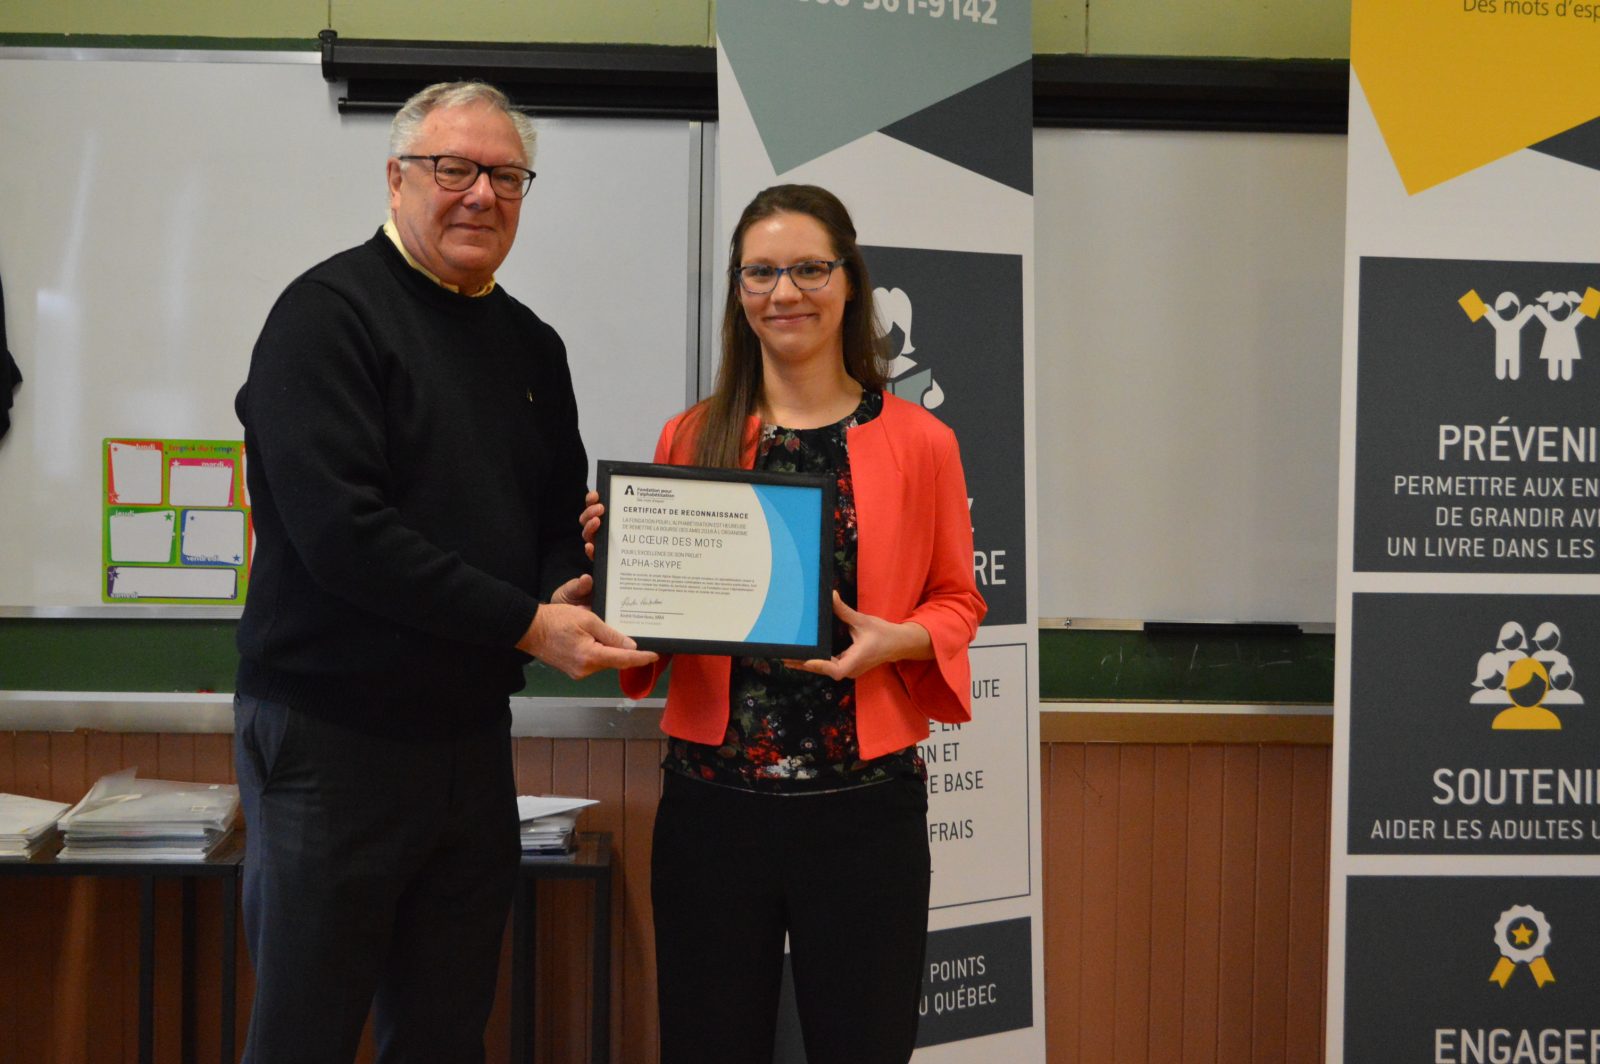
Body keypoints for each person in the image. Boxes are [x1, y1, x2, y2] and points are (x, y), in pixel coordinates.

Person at [232, 81, 654, 1064]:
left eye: (505, 176)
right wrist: (527, 623)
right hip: (330, 737)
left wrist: (566, 584)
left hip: (468, 740)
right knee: (304, 1030)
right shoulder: (325, 317)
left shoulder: (531, 345)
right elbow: (345, 537)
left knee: (444, 1028)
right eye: (453, 168)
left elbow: (551, 519)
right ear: (397, 178)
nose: (480, 194)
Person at [587, 184, 985, 1063]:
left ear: (849, 283)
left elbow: (958, 600)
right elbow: (659, 621)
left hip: (864, 813)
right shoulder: (691, 435)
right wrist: (624, 563)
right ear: (738, 290)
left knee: (864, 1047)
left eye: (809, 269)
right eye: (761, 272)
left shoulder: (920, 440)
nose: (784, 292)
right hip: (713, 808)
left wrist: (898, 640)